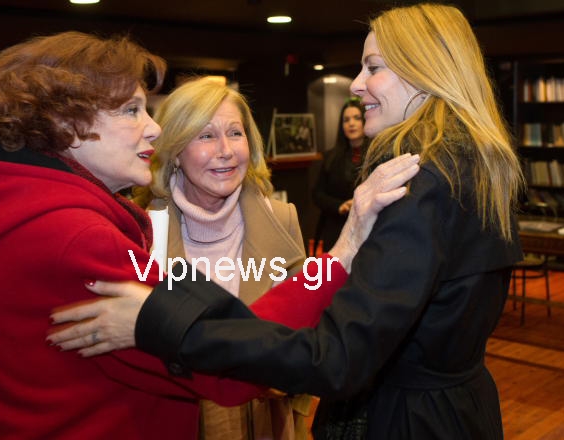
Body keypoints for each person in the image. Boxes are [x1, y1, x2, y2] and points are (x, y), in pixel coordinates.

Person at [48, 3, 525, 439]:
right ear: (175, 151)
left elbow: (332, 351)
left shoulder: (412, 183)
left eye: (373, 67)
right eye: (205, 136)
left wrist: (161, 321)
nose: (356, 84)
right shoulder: (469, 167)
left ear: (426, 71)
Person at [0, 31, 419, 439]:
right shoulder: (78, 238)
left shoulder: (11, 211)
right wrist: (343, 250)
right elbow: (232, 362)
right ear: (65, 124)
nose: (153, 129)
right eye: (131, 110)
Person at [136, 76, 311, 440]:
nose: (226, 150)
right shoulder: (142, 231)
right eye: (206, 136)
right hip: (179, 422)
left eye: (235, 133)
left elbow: (308, 332)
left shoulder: (283, 219)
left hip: (265, 422)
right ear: (175, 151)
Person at [313, 98, 369, 251]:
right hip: (336, 230)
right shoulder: (330, 157)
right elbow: (318, 195)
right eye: (346, 120)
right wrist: (340, 206)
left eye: (357, 118)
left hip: (366, 230)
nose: (351, 123)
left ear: (365, 120)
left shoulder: (377, 156)